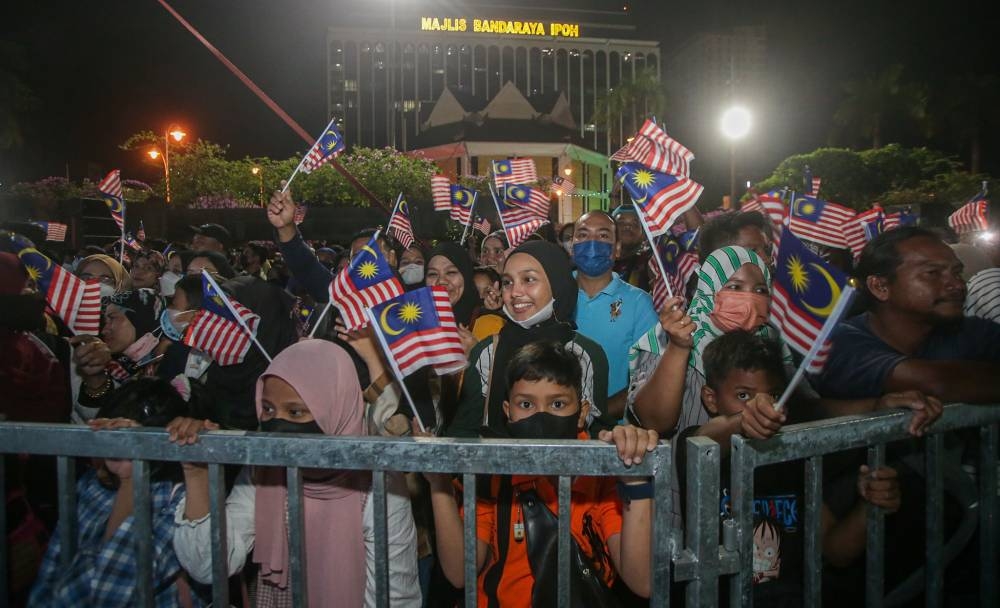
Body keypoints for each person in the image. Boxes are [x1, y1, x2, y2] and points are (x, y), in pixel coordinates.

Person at [169, 339, 421, 608]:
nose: (278, 424)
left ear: (336, 409)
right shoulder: (263, 472)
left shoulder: (378, 486)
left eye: (296, 411)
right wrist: (197, 475)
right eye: (267, 409)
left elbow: (394, 600)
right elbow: (210, 565)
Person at [676, 331, 902, 605]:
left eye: (773, 395)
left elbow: (835, 550)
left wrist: (872, 506)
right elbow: (708, 437)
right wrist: (744, 419)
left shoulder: (791, 454)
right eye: (744, 394)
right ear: (711, 399)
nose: (766, 405)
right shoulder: (697, 444)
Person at [424, 341, 658, 604]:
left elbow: (642, 581)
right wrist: (439, 484)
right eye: (526, 405)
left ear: (581, 413)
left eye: (557, 404)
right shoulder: (489, 475)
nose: (541, 416)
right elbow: (459, 573)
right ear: (507, 412)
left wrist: (634, 476)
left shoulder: (600, 474)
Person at [30, 377, 198, 607]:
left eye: (121, 436)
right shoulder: (91, 486)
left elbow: (110, 592)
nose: (106, 444)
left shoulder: (175, 499)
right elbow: (52, 571)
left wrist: (131, 474)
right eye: (105, 429)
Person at [448, 240, 613, 438]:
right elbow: (464, 432)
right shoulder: (487, 351)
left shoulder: (585, 353)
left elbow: (598, 433)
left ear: (557, 283)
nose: (515, 293)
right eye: (508, 282)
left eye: (528, 279)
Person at [816, 227, 1000, 403]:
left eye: (957, 273)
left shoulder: (973, 331)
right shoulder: (838, 342)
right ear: (880, 287)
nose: (957, 285)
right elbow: (936, 382)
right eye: (932, 273)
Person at [572, 210, 659, 420]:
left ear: (617, 249)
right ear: (572, 245)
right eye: (583, 235)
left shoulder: (639, 304)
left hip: (616, 437)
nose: (592, 243)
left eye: (603, 236)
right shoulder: (553, 294)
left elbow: (648, 379)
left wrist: (594, 414)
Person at [609, 204, 650, 290]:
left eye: (635, 224)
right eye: (621, 222)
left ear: (643, 234)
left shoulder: (651, 264)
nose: (628, 227)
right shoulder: (600, 260)